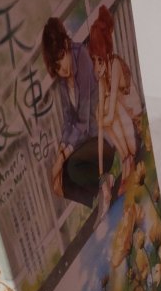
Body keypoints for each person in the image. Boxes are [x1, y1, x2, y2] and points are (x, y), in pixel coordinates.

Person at [42, 17, 115, 209]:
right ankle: (101, 195)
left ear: (66, 45)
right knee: (61, 183)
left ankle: (104, 183)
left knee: (73, 167)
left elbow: (84, 120)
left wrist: (62, 158)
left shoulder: (81, 57)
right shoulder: (63, 79)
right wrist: (61, 150)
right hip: (86, 144)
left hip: (103, 137)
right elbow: (68, 119)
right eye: (56, 67)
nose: (62, 69)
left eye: (61, 58)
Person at [88, 6, 142, 188]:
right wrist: (100, 172)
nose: (97, 67)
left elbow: (110, 116)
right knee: (100, 109)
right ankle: (126, 159)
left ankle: (129, 157)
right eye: (94, 61)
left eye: (99, 60)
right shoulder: (103, 78)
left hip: (136, 126)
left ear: (107, 54)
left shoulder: (116, 65)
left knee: (110, 108)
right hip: (126, 135)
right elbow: (102, 126)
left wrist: (100, 120)